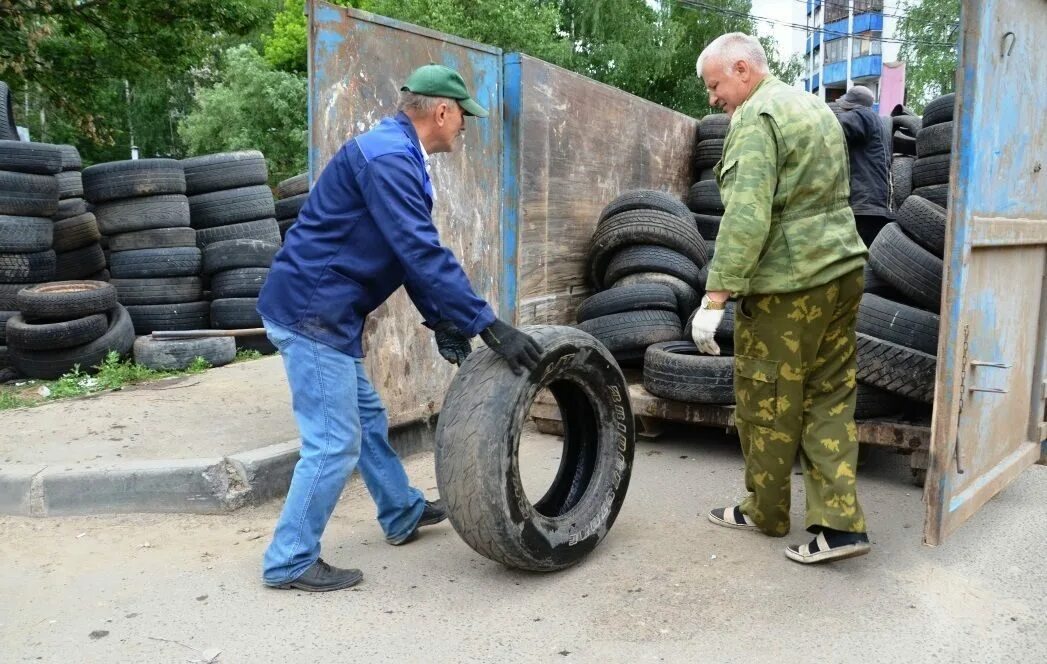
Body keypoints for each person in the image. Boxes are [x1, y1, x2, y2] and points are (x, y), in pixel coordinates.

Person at [256, 64, 543, 591]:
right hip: (312, 314)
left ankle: (401, 512)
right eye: (464, 119)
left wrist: (441, 319)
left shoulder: (397, 152)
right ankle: (289, 560)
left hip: (328, 313)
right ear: (442, 111)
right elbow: (420, 251)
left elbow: (403, 255)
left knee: (365, 418)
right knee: (334, 441)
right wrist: (487, 324)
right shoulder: (389, 158)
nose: (464, 128)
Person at [690, 33, 872, 564]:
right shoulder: (814, 108)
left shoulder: (755, 118)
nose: (713, 98)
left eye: (715, 84)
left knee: (766, 402)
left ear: (741, 68)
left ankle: (764, 511)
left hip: (791, 286)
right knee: (830, 396)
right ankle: (841, 528)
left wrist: (715, 298)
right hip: (843, 270)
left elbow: (748, 217)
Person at [834, 85, 893, 246]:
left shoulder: (861, 115)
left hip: (864, 205)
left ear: (852, 106)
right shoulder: (878, 122)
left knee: (857, 261)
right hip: (876, 204)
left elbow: (832, 128)